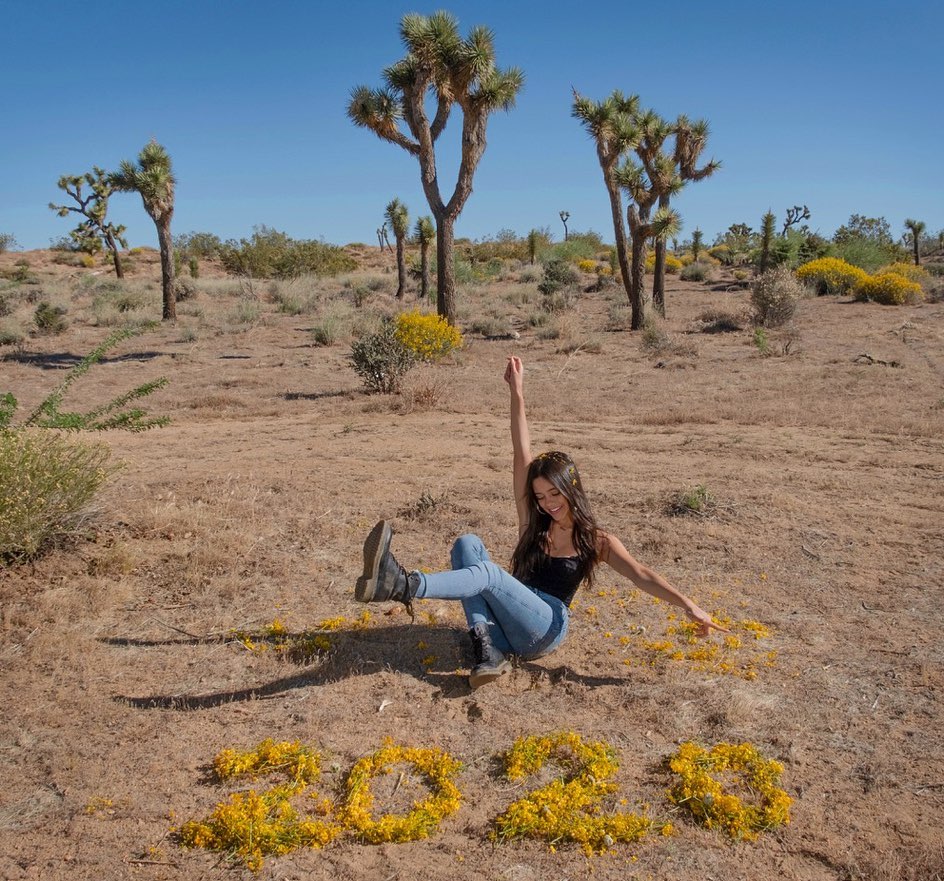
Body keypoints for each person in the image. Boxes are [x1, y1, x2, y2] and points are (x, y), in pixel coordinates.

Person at [355, 355, 726, 689]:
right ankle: (487, 649)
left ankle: (404, 584)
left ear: (572, 489)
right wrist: (517, 394)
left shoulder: (596, 541)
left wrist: (688, 605)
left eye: (555, 494)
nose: (548, 504)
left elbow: (641, 574)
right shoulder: (533, 521)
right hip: (506, 626)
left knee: (488, 574)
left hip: (545, 627)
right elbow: (522, 451)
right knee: (467, 543)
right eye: (540, 497)